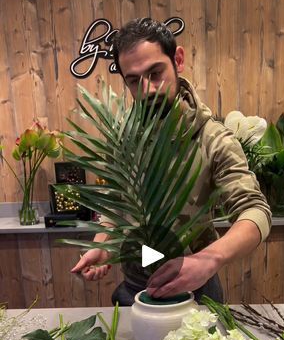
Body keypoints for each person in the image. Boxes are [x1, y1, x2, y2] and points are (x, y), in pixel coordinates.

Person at [71, 17, 271, 305]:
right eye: (134, 80)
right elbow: (116, 210)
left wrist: (208, 259)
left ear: (177, 60)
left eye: (155, 73)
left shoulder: (212, 138)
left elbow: (256, 212)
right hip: (133, 291)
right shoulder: (123, 138)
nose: (148, 89)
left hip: (195, 293)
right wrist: (103, 247)